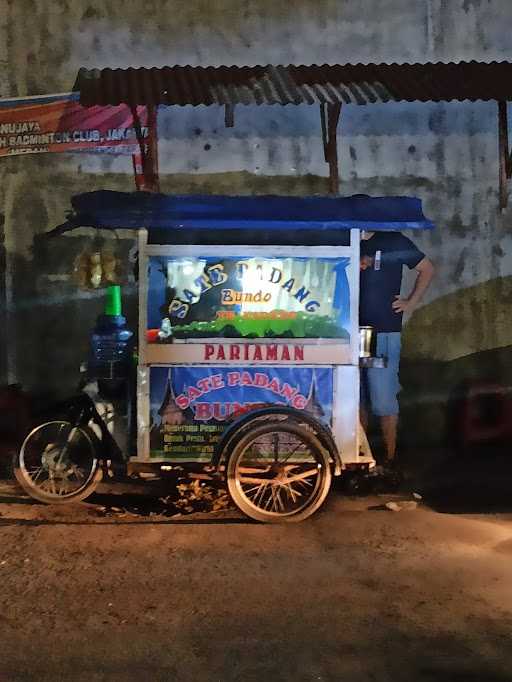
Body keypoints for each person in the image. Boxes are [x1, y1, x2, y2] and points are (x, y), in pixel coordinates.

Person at [359, 229, 434, 469]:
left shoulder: (393, 240)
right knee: (355, 397)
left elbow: (427, 268)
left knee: (383, 397)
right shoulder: (343, 238)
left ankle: (389, 460)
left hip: (382, 332)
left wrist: (410, 302)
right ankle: (360, 460)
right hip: (351, 334)